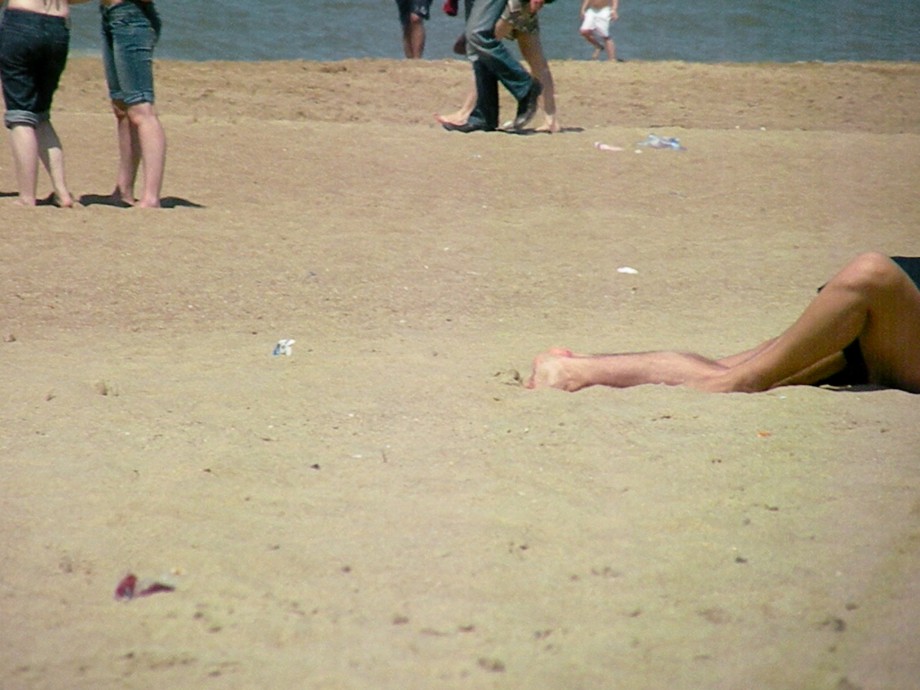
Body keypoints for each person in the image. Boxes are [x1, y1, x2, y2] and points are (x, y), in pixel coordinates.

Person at [526, 253, 920, 394]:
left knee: (871, 273)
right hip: (897, 313)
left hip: (893, 313)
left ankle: (575, 369)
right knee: (723, 367)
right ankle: (581, 368)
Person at [0, 0, 89, 207]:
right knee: (41, 115)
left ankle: (27, 196)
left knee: (20, 115)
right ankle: (62, 191)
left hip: (22, 21)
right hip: (58, 26)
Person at [437, 0, 560, 133]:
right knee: (534, 59)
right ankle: (550, 119)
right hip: (518, 4)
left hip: (512, 6)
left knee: (481, 44)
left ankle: (469, 112)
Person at [100, 0, 165, 208]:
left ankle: (151, 196)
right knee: (121, 108)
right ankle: (124, 190)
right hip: (111, 14)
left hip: (132, 16)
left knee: (141, 109)